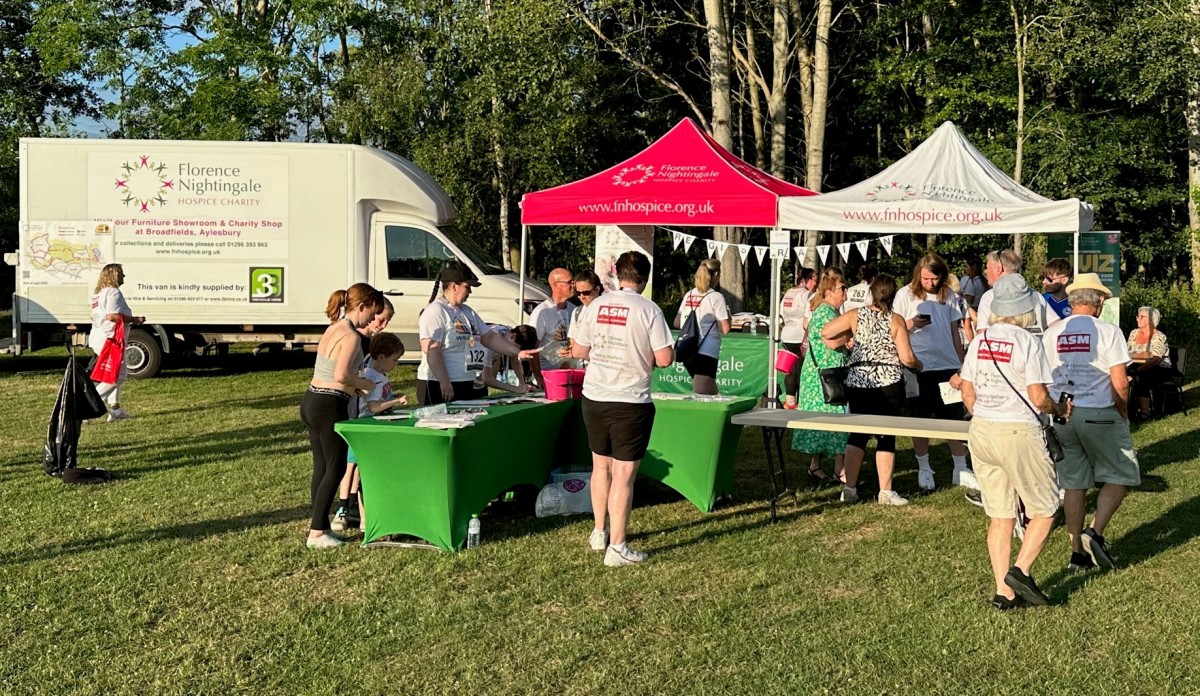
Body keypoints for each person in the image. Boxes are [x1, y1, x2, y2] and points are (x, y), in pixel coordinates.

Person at [959, 274, 1069, 609]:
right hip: (1018, 431)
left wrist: (986, 411)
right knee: (1047, 508)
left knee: (1000, 514)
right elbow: (1038, 396)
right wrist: (1059, 409)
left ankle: (1003, 593)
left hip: (982, 430)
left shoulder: (981, 340)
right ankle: (1020, 572)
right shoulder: (1028, 341)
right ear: (1027, 310)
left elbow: (966, 389)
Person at [571, 251, 673, 566]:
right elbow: (665, 359)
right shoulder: (649, 309)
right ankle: (617, 546)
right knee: (624, 475)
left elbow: (578, 349)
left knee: (600, 466)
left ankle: (599, 531)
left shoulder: (596, 304)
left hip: (595, 396)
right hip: (630, 399)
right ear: (645, 277)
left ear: (616, 274)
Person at [1042, 273, 1139, 572]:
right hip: (1099, 411)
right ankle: (1093, 532)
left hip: (1063, 412)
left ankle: (1076, 554)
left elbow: (1043, 377)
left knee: (1074, 483)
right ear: (1098, 303)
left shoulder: (1052, 332)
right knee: (1122, 474)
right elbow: (1120, 382)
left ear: (1072, 301)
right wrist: (1122, 407)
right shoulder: (1109, 332)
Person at [821, 274, 923, 505]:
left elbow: (826, 332)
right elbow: (906, 358)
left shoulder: (856, 315)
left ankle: (850, 489)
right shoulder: (896, 320)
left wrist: (847, 338)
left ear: (872, 293)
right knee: (886, 436)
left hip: (858, 381)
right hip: (888, 383)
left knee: (858, 434)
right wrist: (919, 365)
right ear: (893, 294)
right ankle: (885, 491)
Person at [301, 282, 385, 549]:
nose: (372, 319)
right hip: (329, 404)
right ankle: (316, 532)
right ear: (360, 307)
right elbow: (341, 375)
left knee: (322, 467)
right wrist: (365, 385)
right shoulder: (350, 335)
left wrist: (353, 384)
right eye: (371, 313)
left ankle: (321, 525)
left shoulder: (334, 327)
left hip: (312, 399)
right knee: (335, 467)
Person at [892, 253, 973, 491]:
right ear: (919, 275)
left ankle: (960, 467)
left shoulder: (949, 295)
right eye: (926, 279)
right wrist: (911, 323)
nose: (931, 283)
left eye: (935, 279)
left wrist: (961, 364)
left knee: (953, 417)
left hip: (946, 365)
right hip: (917, 366)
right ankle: (924, 467)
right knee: (920, 419)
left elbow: (955, 330)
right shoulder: (904, 294)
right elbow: (894, 327)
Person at [417, 261, 537, 405]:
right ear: (454, 286)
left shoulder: (467, 312)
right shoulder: (435, 312)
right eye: (467, 287)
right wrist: (444, 381)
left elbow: (490, 338)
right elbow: (432, 350)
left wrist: (517, 352)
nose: (470, 292)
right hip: (437, 384)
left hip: (465, 383)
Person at [333, 332, 409, 533]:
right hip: (362, 428)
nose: (396, 364)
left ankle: (352, 509)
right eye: (395, 360)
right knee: (352, 469)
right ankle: (345, 509)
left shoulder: (376, 375)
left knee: (356, 470)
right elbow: (375, 406)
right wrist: (396, 401)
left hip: (365, 427)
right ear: (381, 358)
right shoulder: (373, 377)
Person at [790, 267, 849, 486]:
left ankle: (816, 465)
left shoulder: (827, 311)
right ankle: (840, 470)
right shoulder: (826, 313)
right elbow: (831, 342)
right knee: (835, 420)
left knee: (825, 421)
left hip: (822, 375)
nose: (846, 292)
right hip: (826, 377)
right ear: (829, 292)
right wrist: (849, 338)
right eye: (842, 288)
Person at [88, 264, 145, 422]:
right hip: (110, 338)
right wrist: (134, 319)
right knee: (118, 376)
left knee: (114, 373)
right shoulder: (113, 292)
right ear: (113, 275)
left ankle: (115, 409)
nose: (124, 276)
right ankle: (87, 407)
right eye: (121, 274)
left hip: (100, 336)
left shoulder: (98, 294)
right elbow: (112, 316)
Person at [674, 259, 731, 395]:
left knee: (707, 386)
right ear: (716, 274)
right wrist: (728, 313)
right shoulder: (716, 297)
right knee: (703, 390)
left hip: (688, 347)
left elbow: (677, 322)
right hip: (707, 349)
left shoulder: (689, 294)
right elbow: (725, 329)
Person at [976, 250, 1053, 333]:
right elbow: (1055, 325)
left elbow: (983, 333)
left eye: (988, 267)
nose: (985, 271)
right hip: (1036, 344)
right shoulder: (1036, 295)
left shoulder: (990, 297)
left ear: (998, 269)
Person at [779, 267, 818, 409]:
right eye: (815, 280)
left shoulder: (789, 292)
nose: (816, 284)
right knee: (803, 370)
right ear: (807, 280)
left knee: (791, 370)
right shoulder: (808, 295)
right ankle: (803, 402)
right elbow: (811, 316)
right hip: (801, 336)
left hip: (787, 335)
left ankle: (789, 402)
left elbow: (781, 312)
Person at [530, 267, 578, 376]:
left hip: (571, 372)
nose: (573, 285)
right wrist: (538, 378)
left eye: (573, 282)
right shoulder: (542, 312)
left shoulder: (573, 309)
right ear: (556, 285)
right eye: (569, 282)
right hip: (548, 374)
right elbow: (533, 348)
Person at [1126, 305, 1172, 421]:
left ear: (1151, 320)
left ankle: (1144, 412)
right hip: (1135, 364)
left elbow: (1155, 359)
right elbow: (1127, 353)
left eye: (1142, 317)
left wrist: (1137, 370)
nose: (1138, 319)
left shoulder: (1159, 336)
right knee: (1121, 373)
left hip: (1159, 368)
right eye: (1138, 316)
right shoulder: (1134, 333)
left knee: (1141, 375)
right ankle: (1125, 409)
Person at [472, 324, 536, 396]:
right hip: (468, 384)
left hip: (480, 385)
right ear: (513, 336)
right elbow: (487, 379)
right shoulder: (488, 344)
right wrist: (515, 389)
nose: (515, 352)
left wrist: (524, 385)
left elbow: (515, 361)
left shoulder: (509, 332)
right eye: (516, 349)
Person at [567, 270, 604, 368]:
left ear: (597, 289)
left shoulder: (607, 310)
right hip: (582, 368)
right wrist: (568, 351)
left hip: (602, 368)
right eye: (578, 293)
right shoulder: (577, 312)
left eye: (586, 292)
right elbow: (573, 343)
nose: (582, 297)